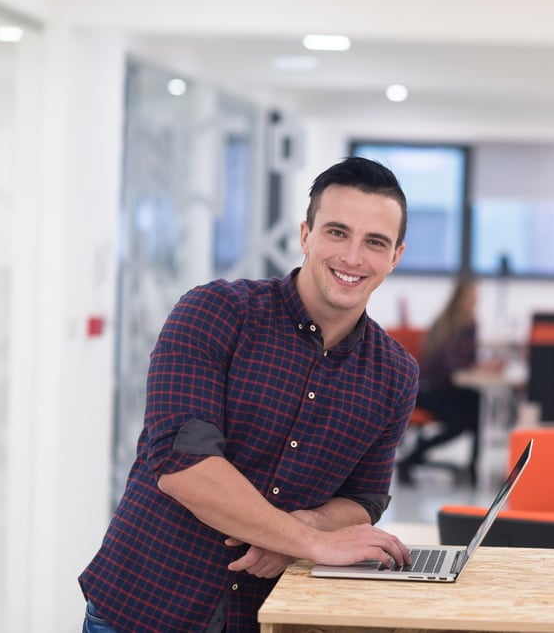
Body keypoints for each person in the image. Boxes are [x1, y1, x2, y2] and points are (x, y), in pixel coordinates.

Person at [79, 157, 417, 632]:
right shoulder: (215, 312)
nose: (353, 257)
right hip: (146, 607)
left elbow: (364, 498)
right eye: (337, 232)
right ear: (305, 235)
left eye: (375, 242)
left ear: (395, 257)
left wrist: (303, 531)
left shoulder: (396, 374)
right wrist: (312, 542)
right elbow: (184, 468)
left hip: (266, 617)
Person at [396, 275, 496, 486]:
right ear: (460, 298)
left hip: (445, 389)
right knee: (460, 422)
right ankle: (412, 457)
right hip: (432, 390)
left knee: (477, 404)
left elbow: (464, 361)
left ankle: (472, 466)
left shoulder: (458, 322)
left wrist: (477, 366)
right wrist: (476, 367)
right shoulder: (453, 324)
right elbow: (449, 364)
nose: (474, 303)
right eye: (471, 298)